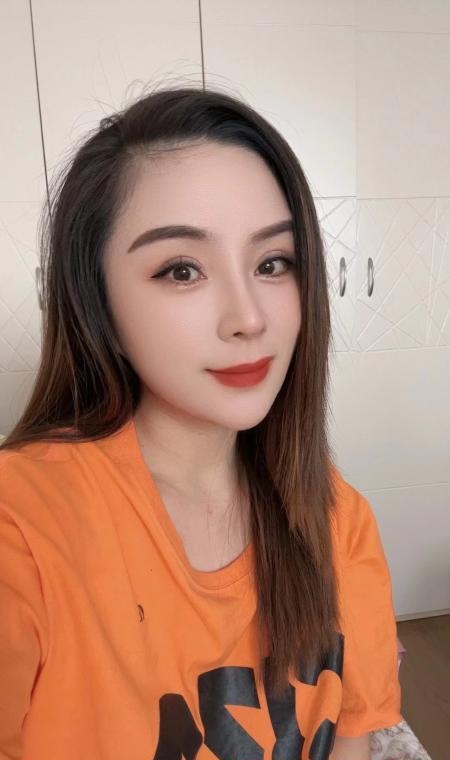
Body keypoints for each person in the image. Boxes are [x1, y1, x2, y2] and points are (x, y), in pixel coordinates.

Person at [0, 84, 401, 760]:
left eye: (273, 263)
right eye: (182, 270)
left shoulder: (337, 520)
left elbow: (353, 737)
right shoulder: (23, 529)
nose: (249, 318)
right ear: (99, 303)